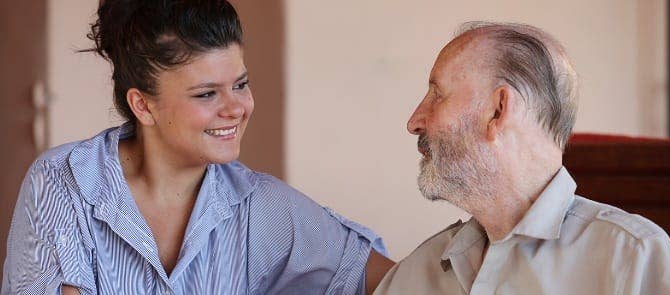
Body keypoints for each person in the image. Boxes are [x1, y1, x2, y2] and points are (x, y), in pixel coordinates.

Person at [1, 1, 393, 294]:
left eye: (240, 84)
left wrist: (456, 253)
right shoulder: (65, 183)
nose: (237, 108)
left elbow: (391, 281)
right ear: (143, 105)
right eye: (207, 94)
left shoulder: (264, 208)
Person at [374, 22, 670, 294]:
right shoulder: (417, 273)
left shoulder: (633, 258)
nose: (414, 121)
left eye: (437, 94)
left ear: (498, 110)